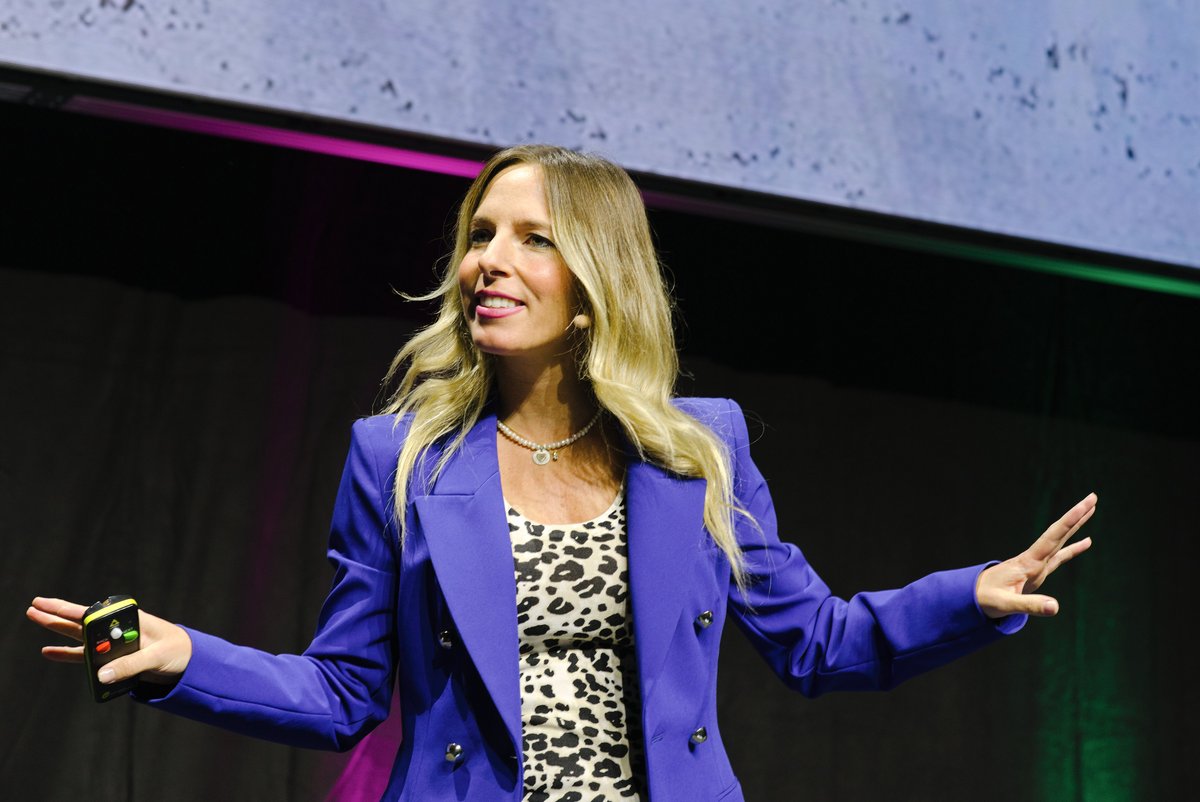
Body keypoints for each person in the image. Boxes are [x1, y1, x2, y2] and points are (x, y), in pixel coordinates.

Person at [27, 144, 1096, 802]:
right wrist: (174, 654)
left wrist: (973, 595)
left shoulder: (696, 452)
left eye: (531, 238)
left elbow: (817, 643)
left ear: (591, 287)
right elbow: (346, 690)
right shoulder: (397, 459)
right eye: (478, 234)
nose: (487, 258)